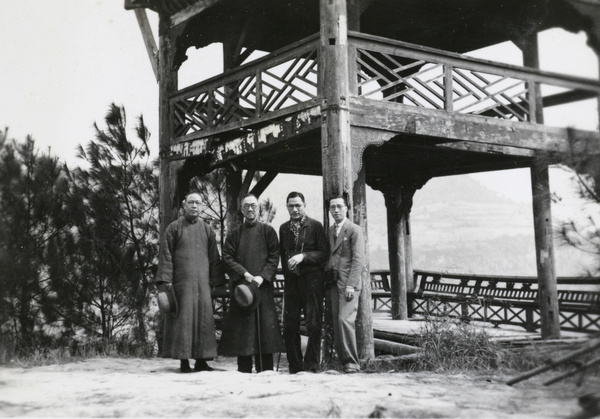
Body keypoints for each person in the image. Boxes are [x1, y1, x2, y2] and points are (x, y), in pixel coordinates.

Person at [155, 191, 225, 373]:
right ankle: (184, 361)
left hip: (203, 284)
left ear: (201, 207)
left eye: (198, 203)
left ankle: (202, 361)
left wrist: (216, 282)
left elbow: (214, 258)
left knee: (204, 321)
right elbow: (166, 255)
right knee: (183, 321)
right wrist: (166, 280)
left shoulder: (207, 230)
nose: (194, 206)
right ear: (184, 205)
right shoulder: (173, 228)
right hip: (181, 284)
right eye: (191, 202)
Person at [218, 194, 285, 373]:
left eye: (253, 206)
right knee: (243, 331)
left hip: (263, 287)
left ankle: (266, 370)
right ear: (241, 210)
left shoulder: (268, 232)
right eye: (246, 206)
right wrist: (245, 274)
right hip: (243, 289)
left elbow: (274, 256)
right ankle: (244, 370)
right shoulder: (234, 234)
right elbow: (227, 258)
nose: (250, 209)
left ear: (259, 209)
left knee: (264, 330)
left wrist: (262, 276)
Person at [279, 191, 328, 374]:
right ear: (287, 207)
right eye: (291, 206)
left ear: (304, 205)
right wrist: (287, 276)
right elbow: (284, 257)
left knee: (313, 324)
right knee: (290, 325)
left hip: (312, 281)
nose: (295, 209)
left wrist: (303, 256)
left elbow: (324, 253)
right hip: (292, 282)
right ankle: (295, 366)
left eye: (298, 205)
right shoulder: (283, 228)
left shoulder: (315, 226)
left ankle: (312, 365)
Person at [325, 196, 365, 373]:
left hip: (348, 284)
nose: (336, 210)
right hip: (334, 282)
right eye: (333, 207)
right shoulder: (331, 230)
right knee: (336, 321)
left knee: (345, 320)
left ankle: (352, 363)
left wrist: (351, 284)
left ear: (346, 208)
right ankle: (343, 363)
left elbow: (358, 260)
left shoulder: (354, 230)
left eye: (340, 206)